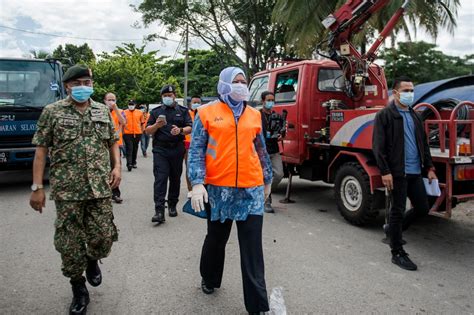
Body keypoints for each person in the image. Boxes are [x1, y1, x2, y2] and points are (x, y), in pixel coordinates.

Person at [29, 64, 120, 315]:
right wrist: (37, 187)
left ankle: (92, 259)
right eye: (78, 83)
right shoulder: (52, 112)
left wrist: (117, 168)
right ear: (67, 86)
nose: (83, 88)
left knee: (102, 236)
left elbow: (113, 142)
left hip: (99, 187)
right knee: (69, 244)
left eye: (87, 83)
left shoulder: (102, 110)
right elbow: (41, 151)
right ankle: (78, 287)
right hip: (67, 190)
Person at [188, 67, 273, 314]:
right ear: (224, 84)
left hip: (251, 189)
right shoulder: (205, 113)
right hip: (219, 190)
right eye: (235, 81)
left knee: (252, 248)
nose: (241, 85)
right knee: (216, 239)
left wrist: (267, 180)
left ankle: (257, 306)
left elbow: (261, 149)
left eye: (243, 81)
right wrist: (197, 182)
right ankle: (210, 278)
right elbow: (196, 150)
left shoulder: (255, 115)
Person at [372, 76, 437, 271]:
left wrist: (430, 168)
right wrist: (385, 171)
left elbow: (423, 144)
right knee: (397, 210)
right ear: (396, 92)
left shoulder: (415, 115)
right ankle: (397, 251)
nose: (410, 93)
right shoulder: (385, 115)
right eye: (406, 90)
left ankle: (394, 230)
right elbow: (378, 146)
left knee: (423, 208)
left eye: (412, 90)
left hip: (416, 171)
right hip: (397, 172)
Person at [145, 85, 192, 223]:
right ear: (162, 97)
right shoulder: (156, 112)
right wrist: (156, 126)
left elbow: (190, 126)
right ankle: (159, 210)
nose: (167, 97)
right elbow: (147, 130)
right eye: (164, 95)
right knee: (160, 178)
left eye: (169, 95)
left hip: (177, 148)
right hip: (161, 149)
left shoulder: (182, 111)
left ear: (174, 95)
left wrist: (181, 130)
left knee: (175, 178)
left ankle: (172, 205)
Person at [260, 91, 286, 213]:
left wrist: (281, 134)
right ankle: (267, 201)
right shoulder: (257, 115)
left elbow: (281, 132)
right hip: (261, 150)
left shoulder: (277, 116)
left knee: (279, 174)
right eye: (268, 100)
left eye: (272, 100)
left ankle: (265, 191)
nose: (271, 102)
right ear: (263, 101)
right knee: (264, 176)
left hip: (274, 149)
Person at [105, 92, 126, 203]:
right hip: (103, 145)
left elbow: (123, 122)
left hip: (116, 145)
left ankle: (115, 193)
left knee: (115, 168)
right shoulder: (100, 111)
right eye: (109, 99)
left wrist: (116, 109)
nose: (111, 102)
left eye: (113, 99)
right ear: (104, 101)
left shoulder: (121, 111)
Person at [184, 95, 203, 198]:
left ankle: (200, 186)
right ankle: (190, 189)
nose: (196, 104)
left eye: (198, 102)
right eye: (194, 102)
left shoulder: (203, 113)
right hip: (187, 143)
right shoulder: (186, 113)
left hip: (200, 144)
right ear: (190, 104)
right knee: (189, 167)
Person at [123, 100, 145, 171]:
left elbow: (142, 123)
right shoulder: (124, 112)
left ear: (135, 105)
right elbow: (122, 123)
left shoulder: (139, 112)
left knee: (135, 148)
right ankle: (129, 164)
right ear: (128, 105)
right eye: (130, 104)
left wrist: (142, 131)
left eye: (132, 104)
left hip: (137, 133)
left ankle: (133, 162)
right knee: (129, 148)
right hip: (127, 133)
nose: (131, 106)